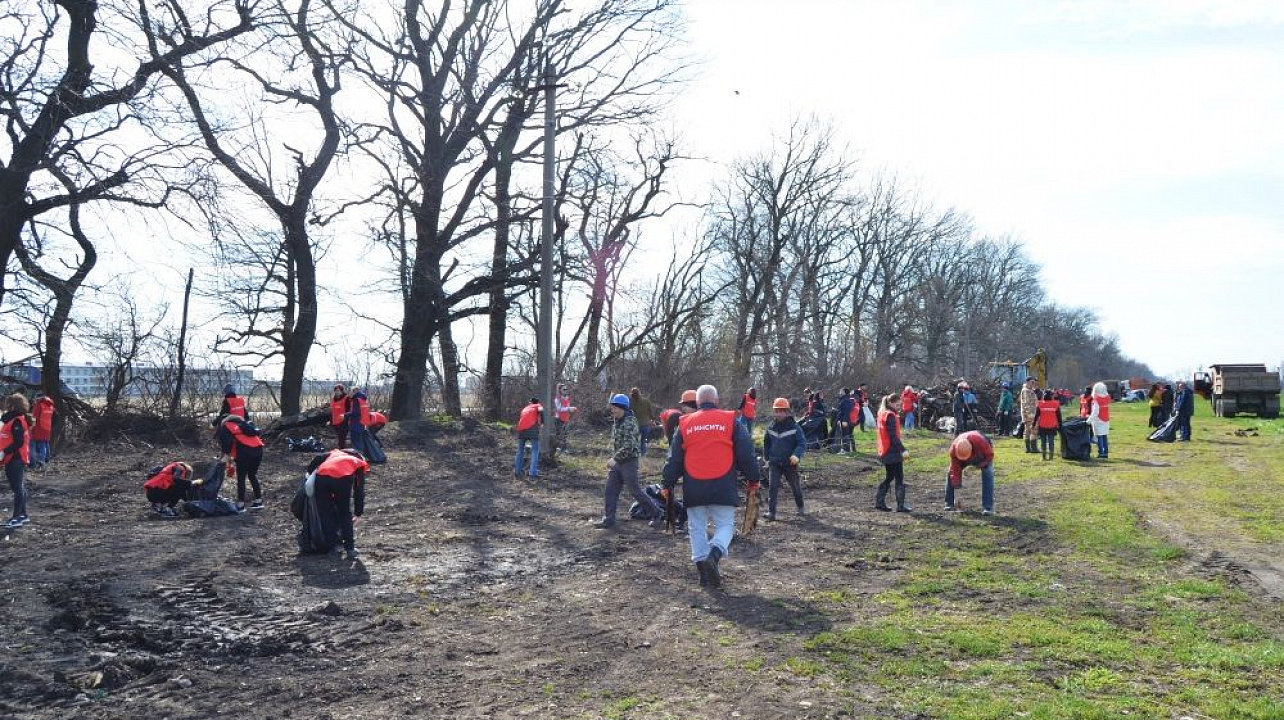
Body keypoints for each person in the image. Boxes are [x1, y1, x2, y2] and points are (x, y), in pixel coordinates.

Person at [662, 384, 761, 589]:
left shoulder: (685, 423)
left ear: (697, 403)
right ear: (716, 401)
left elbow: (674, 459)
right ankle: (713, 557)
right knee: (725, 525)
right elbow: (746, 453)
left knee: (696, 527)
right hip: (723, 483)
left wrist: (667, 483)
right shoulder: (730, 420)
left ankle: (703, 575)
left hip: (694, 485)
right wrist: (754, 478)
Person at [593, 394, 663, 529]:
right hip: (619, 461)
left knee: (635, 491)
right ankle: (609, 519)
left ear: (622, 408)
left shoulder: (629, 422)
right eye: (612, 407)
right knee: (610, 490)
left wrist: (614, 459)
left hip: (629, 461)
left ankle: (657, 513)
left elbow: (629, 446)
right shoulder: (618, 421)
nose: (612, 410)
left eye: (615, 408)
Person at [307, 448, 369, 560]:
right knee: (344, 513)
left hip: (322, 479)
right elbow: (359, 489)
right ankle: (350, 549)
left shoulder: (332, 453)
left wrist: (309, 473)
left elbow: (314, 462)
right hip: (343, 480)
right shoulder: (358, 462)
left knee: (326, 514)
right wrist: (358, 512)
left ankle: (332, 549)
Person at [762, 397, 805, 520]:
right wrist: (767, 458)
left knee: (795, 487)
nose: (779, 413)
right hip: (774, 463)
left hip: (790, 463)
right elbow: (766, 443)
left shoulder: (794, 427)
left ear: (787, 412)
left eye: (782, 411)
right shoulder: (770, 427)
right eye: (777, 411)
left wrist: (796, 455)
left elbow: (802, 443)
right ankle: (771, 513)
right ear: (774, 412)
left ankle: (801, 507)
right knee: (772, 488)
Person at [217, 413, 265, 511]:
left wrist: (225, 456)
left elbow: (227, 443)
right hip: (258, 450)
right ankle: (259, 501)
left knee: (241, 478)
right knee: (252, 475)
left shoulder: (226, 427)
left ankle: (241, 505)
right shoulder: (245, 423)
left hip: (244, 452)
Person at [874, 393, 910, 512]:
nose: (899, 405)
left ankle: (879, 502)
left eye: (900, 403)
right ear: (890, 403)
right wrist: (903, 449)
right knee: (898, 477)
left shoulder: (883, 413)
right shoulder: (890, 415)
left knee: (890, 477)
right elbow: (893, 436)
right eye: (897, 403)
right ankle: (900, 505)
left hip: (885, 450)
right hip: (892, 451)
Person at [945, 431, 995, 515]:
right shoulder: (953, 450)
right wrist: (958, 493)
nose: (965, 460)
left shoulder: (981, 442)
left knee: (988, 473)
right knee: (950, 472)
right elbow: (955, 470)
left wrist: (979, 466)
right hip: (963, 455)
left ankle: (988, 507)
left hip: (981, 455)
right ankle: (949, 503)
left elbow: (989, 456)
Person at [2, 394, 32, 529]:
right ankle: (23, 515)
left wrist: (4, 452)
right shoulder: (12, 420)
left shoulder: (17, 421)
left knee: (18, 489)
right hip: (12, 458)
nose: (5, 407)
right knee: (19, 487)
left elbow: (18, 442)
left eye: (8, 404)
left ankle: (16, 517)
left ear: (13, 405)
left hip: (15, 458)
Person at [513, 396, 542, 478]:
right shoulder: (539, 407)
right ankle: (532, 473)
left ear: (530, 402)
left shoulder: (525, 408)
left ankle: (517, 471)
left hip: (521, 430)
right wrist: (541, 426)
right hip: (532, 430)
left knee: (520, 450)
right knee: (535, 450)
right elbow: (541, 418)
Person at [345, 388, 373, 459]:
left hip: (355, 423)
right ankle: (362, 458)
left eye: (350, 392)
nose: (349, 393)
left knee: (356, 442)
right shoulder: (363, 399)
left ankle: (359, 459)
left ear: (354, 392)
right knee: (359, 441)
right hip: (362, 423)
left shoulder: (356, 400)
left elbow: (355, 413)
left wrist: (345, 415)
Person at [29, 393, 54, 469]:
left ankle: (36, 463)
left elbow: (34, 418)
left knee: (35, 445)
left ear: (38, 398)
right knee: (44, 444)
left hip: (38, 428)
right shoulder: (50, 405)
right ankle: (44, 460)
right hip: (47, 428)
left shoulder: (39, 405)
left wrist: (30, 428)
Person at [1036, 390, 1063, 460]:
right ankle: (1051, 457)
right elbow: (1059, 416)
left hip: (1042, 425)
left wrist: (1033, 424)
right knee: (1051, 441)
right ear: (1051, 396)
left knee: (1043, 442)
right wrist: (1060, 425)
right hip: (1052, 425)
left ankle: (1043, 457)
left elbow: (1036, 415)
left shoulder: (1040, 404)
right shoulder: (1056, 404)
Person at [630, 387, 656, 455]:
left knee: (634, 440)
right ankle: (643, 454)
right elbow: (651, 412)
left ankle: (635, 453)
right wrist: (653, 420)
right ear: (640, 393)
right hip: (646, 424)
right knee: (643, 441)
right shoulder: (646, 401)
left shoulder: (630, 402)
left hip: (635, 425)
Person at [1088, 381, 1111, 458]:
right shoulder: (1107, 397)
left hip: (1098, 420)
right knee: (1104, 436)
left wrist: (1089, 420)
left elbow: (1095, 412)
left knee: (1099, 437)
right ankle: (1106, 452)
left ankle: (1101, 452)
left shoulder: (1096, 399)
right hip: (1106, 419)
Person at [1019, 377, 1039, 454]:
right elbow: (1026, 404)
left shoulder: (1029, 390)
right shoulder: (1026, 391)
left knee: (1029, 430)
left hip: (1030, 413)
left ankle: (1030, 448)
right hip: (1029, 414)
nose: (1033, 384)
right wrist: (1031, 415)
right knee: (1031, 430)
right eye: (1031, 382)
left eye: (1034, 382)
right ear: (1027, 382)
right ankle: (1032, 448)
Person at [554, 384, 575, 451]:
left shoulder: (567, 398)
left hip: (566, 418)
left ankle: (564, 448)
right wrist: (568, 408)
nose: (565, 391)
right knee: (559, 434)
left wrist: (571, 409)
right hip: (559, 418)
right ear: (560, 390)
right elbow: (559, 409)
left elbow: (567, 407)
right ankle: (558, 448)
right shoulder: (557, 398)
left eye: (566, 389)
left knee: (565, 434)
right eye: (564, 389)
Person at [834, 388, 855, 454]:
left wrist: (844, 421)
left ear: (844, 392)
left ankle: (846, 450)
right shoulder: (843, 399)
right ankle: (845, 449)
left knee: (845, 434)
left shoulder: (846, 400)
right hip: (843, 420)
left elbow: (846, 411)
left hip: (845, 420)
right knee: (843, 434)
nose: (839, 392)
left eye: (841, 391)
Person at [329, 384, 350, 449]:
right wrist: (330, 420)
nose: (336, 392)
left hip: (344, 421)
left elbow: (349, 410)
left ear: (342, 391)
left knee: (342, 437)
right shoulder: (333, 399)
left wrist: (347, 419)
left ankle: (343, 450)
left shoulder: (346, 398)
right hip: (335, 422)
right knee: (339, 437)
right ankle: (342, 449)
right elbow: (332, 411)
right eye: (335, 390)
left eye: (338, 390)